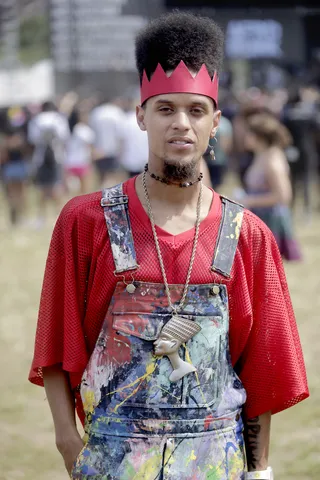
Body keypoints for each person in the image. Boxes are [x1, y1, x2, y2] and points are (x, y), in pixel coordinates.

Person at [29, 12, 308, 480]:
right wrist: (67, 442)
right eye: (165, 109)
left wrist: (258, 469)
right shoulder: (86, 220)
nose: (181, 123)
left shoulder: (247, 234)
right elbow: (57, 342)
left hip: (217, 460)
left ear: (216, 121)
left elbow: (262, 364)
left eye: (196, 110)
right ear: (141, 116)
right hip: (111, 460)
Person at [241, 113, 302, 261]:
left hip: (271, 221)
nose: (245, 136)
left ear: (259, 136)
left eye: (249, 133)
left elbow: (283, 196)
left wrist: (250, 200)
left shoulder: (272, 160)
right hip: (260, 218)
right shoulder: (261, 155)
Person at [28, 101, 70, 226]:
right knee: (57, 186)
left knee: (42, 188)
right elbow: (65, 137)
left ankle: (41, 217)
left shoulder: (36, 120)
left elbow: (32, 139)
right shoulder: (59, 119)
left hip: (40, 157)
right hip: (57, 156)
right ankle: (59, 216)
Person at [89, 96, 126, 188]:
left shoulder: (96, 112)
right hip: (113, 149)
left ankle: (101, 194)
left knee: (101, 176)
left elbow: (91, 132)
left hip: (99, 149)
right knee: (113, 175)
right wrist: (122, 150)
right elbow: (121, 133)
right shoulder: (117, 112)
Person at [0, 127, 30, 226]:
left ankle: (16, 216)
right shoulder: (20, 141)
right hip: (19, 167)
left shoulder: (6, 142)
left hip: (11, 168)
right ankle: (20, 216)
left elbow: (3, 158)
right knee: (20, 194)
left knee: (13, 194)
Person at [64, 103, 95, 195]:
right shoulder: (84, 129)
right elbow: (89, 147)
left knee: (70, 193)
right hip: (82, 162)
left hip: (69, 163)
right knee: (85, 192)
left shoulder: (68, 129)